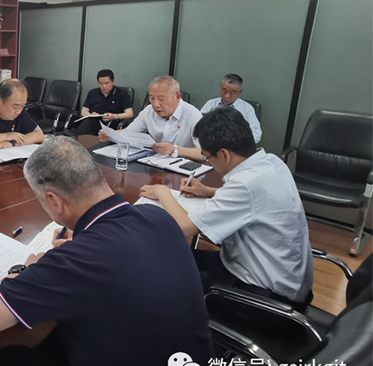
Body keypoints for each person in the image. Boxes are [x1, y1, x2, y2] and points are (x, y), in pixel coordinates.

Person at [0, 137, 223, 366]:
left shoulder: (73, 262)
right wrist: (81, 242)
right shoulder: (158, 218)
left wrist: (30, 269)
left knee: (10, 358)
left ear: (54, 200)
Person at [138, 108, 313, 307]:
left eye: (206, 157)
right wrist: (207, 191)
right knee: (171, 257)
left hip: (262, 296)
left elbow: (184, 227)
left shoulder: (244, 185)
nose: (208, 161)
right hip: (284, 277)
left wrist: (162, 191)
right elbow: (255, 201)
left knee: (161, 273)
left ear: (224, 154)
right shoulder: (271, 162)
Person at [101, 75, 202, 161]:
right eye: (152, 98)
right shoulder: (149, 111)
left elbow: (205, 153)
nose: (156, 104)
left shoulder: (193, 115)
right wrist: (110, 134)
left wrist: (174, 150)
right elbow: (129, 132)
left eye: (161, 99)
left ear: (178, 97)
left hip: (186, 167)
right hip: (157, 163)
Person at [201, 73, 262, 143]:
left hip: (235, 145)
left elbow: (256, 135)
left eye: (232, 92)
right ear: (220, 86)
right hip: (212, 143)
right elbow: (199, 125)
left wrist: (235, 142)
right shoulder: (210, 104)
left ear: (240, 92)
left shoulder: (247, 109)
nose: (227, 96)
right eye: (224, 90)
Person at [75, 69, 133, 135]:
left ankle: (73, 140)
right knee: (88, 124)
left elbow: (130, 114)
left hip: (109, 125)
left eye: (107, 83)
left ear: (113, 81)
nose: (104, 86)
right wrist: (90, 115)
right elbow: (84, 111)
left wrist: (114, 116)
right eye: (101, 83)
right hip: (93, 122)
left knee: (88, 125)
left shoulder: (122, 94)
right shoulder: (92, 93)